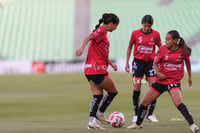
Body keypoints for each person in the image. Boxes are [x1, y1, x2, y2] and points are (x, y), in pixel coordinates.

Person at [129, 30, 199, 132]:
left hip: (173, 82)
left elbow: (187, 63)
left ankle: (192, 125)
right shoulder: (162, 49)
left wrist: (189, 77)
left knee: (178, 103)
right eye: (165, 39)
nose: (165, 41)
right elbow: (155, 63)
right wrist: (157, 73)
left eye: (168, 39)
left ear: (175, 40)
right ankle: (137, 124)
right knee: (144, 102)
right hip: (161, 81)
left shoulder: (182, 51)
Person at [75, 13, 119, 130]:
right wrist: (81, 48)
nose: (115, 28)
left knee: (97, 95)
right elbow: (87, 38)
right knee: (113, 91)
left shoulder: (102, 33)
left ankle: (92, 122)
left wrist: (111, 64)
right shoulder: (101, 31)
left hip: (89, 70)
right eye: (115, 26)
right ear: (110, 24)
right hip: (97, 69)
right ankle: (100, 113)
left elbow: (102, 54)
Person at [125, 15, 162, 126]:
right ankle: (137, 114)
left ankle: (150, 114)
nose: (146, 28)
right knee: (137, 87)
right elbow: (130, 47)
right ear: (142, 24)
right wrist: (127, 62)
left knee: (154, 86)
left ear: (151, 26)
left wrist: (160, 63)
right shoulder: (135, 33)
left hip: (151, 64)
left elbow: (160, 49)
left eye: (149, 26)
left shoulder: (156, 34)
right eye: (145, 25)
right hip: (138, 63)